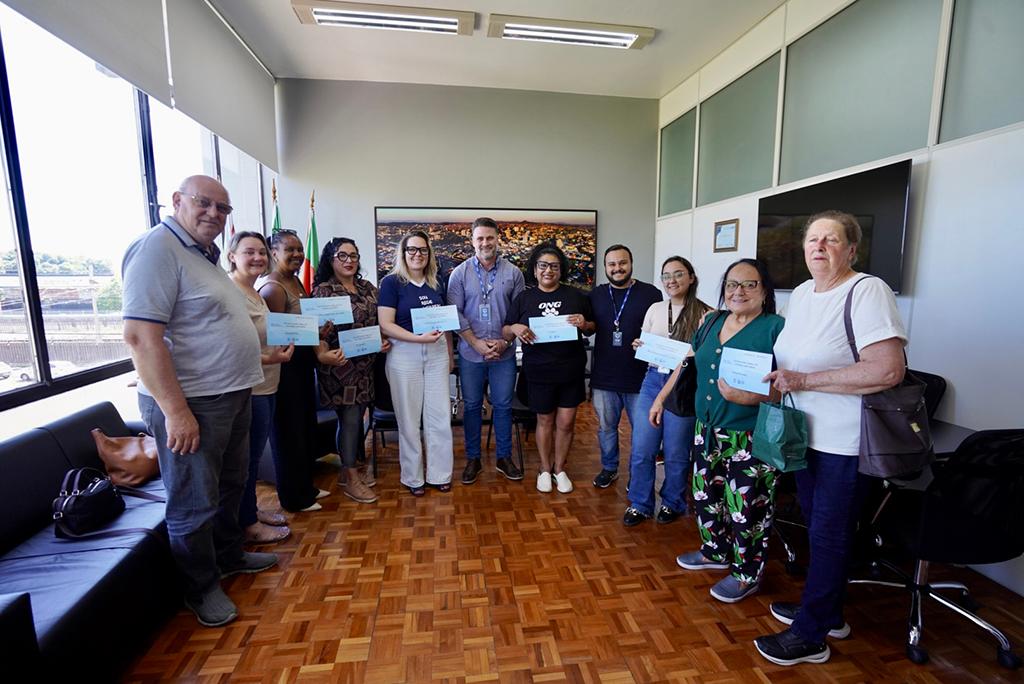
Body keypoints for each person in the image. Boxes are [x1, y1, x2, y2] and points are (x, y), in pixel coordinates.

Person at [122, 175, 277, 627]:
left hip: (231, 394)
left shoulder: (202, 255)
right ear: (177, 201)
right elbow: (140, 337)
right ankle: (201, 588)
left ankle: (229, 556)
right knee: (193, 499)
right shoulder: (156, 249)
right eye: (203, 203)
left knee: (231, 484)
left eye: (222, 208)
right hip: (193, 404)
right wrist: (176, 412)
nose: (214, 214)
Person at [754, 211, 907, 666]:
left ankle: (811, 635)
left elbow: (888, 370)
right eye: (813, 239)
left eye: (832, 239)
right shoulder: (803, 293)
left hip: (845, 442)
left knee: (829, 534)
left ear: (852, 249)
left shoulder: (867, 290)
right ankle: (827, 612)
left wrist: (804, 380)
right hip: (805, 435)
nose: (819, 246)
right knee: (818, 529)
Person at [659, 258, 784, 604]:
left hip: (749, 433)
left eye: (749, 284)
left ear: (764, 290)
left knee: (746, 506)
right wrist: (660, 398)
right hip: (707, 427)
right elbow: (688, 363)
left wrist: (752, 396)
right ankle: (715, 550)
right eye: (731, 284)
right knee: (705, 496)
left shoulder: (776, 328)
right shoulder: (712, 321)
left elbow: (789, 387)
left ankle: (747, 574)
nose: (738, 291)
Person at [624, 257, 711, 526]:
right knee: (642, 447)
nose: (671, 280)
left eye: (678, 274)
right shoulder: (655, 308)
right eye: (666, 275)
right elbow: (646, 341)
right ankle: (640, 504)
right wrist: (639, 345)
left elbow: (701, 356)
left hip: (684, 384)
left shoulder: (706, 314)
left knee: (676, 451)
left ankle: (673, 502)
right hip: (653, 379)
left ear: (691, 278)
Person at [504, 243, 594, 494]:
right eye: (543, 265)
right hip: (539, 371)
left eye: (554, 266)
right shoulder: (524, 299)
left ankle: (559, 469)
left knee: (566, 422)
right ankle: (544, 469)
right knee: (544, 421)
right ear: (535, 270)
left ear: (561, 270)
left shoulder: (576, 296)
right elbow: (505, 331)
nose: (548, 270)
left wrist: (584, 323)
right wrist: (514, 328)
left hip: (570, 370)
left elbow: (592, 327)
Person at [226, 231, 294, 544]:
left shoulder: (254, 292)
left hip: (267, 384)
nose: (257, 258)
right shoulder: (230, 293)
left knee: (251, 458)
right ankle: (248, 525)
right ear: (232, 256)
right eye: (249, 252)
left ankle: (250, 511)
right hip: (248, 388)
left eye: (262, 253)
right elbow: (228, 345)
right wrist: (270, 357)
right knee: (247, 460)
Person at [447, 218, 526, 485]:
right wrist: (476, 343)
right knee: (471, 407)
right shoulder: (459, 274)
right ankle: (473, 458)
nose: (485, 243)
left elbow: (518, 313)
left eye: (489, 237)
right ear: (472, 241)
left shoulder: (513, 273)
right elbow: (455, 314)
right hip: (471, 353)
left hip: (504, 354)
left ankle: (504, 457)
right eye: (480, 238)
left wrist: (504, 342)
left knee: (503, 406)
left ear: (497, 239)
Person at [378, 230, 454, 496]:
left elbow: (446, 321)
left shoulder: (437, 282)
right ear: (403, 253)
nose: (417, 254)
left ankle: (440, 474)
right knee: (409, 419)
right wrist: (416, 338)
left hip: (436, 353)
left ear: (429, 254)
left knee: (439, 416)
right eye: (412, 249)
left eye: (423, 250)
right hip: (404, 353)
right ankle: (413, 477)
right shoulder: (391, 283)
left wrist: (449, 353)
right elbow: (385, 324)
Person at [257, 230, 329, 512]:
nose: (298, 254)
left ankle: (306, 487)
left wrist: (318, 331)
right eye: (290, 250)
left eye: (300, 249)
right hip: (285, 369)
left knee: (304, 428)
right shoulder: (273, 288)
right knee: (289, 432)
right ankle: (294, 498)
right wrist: (310, 332)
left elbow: (299, 326)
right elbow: (279, 334)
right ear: (274, 253)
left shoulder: (294, 280)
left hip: (302, 365)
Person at [312, 237, 387, 504]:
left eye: (353, 255)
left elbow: (379, 321)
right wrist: (322, 353)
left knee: (353, 419)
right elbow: (318, 332)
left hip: (366, 365)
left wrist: (383, 339)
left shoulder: (367, 288)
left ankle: (346, 471)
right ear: (331, 260)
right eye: (342, 256)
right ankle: (352, 478)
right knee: (352, 418)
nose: (349, 261)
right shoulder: (324, 291)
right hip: (340, 366)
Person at [588, 245, 662, 489]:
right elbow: (588, 327)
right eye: (612, 264)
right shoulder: (596, 294)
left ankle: (637, 475)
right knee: (606, 428)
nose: (617, 268)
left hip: (640, 377)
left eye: (622, 263)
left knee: (642, 432)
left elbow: (660, 329)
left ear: (631, 263)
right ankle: (609, 468)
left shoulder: (650, 293)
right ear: (605, 267)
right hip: (604, 377)